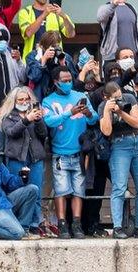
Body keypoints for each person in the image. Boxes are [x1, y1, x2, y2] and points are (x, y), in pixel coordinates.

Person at [44, 66, 99, 237]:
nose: (68, 83)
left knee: (78, 190)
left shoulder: (81, 96)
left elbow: (94, 119)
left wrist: (88, 113)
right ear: (56, 82)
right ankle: (62, 225)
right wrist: (70, 112)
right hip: (60, 153)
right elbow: (49, 121)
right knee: (61, 190)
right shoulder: (48, 100)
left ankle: (76, 224)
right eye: (65, 81)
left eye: (70, 80)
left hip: (80, 153)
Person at [98, 81, 138, 239]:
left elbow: (137, 123)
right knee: (119, 187)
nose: (119, 99)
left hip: (137, 141)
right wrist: (108, 112)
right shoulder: (103, 107)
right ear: (107, 97)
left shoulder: (129, 98)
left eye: (119, 96)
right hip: (119, 144)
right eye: (115, 98)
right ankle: (117, 227)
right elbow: (107, 131)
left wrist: (121, 111)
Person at [0, 86, 46, 210]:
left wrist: (39, 120)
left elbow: (43, 134)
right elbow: (12, 132)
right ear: (14, 101)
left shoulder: (34, 112)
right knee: (19, 191)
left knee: (37, 190)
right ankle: (20, 223)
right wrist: (26, 120)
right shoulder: (7, 116)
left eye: (27, 99)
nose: (24, 102)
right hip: (17, 159)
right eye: (20, 99)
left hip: (35, 158)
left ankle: (35, 223)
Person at [26, 30, 77, 101]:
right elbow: (34, 77)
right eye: (52, 47)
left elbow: (74, 81)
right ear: (42, 46)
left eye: (57, 46)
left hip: (60, 98)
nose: (54, 50)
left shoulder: (65, 57)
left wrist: (63, 65)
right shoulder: (33, 56)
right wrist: (43, 60)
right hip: (40, 98)